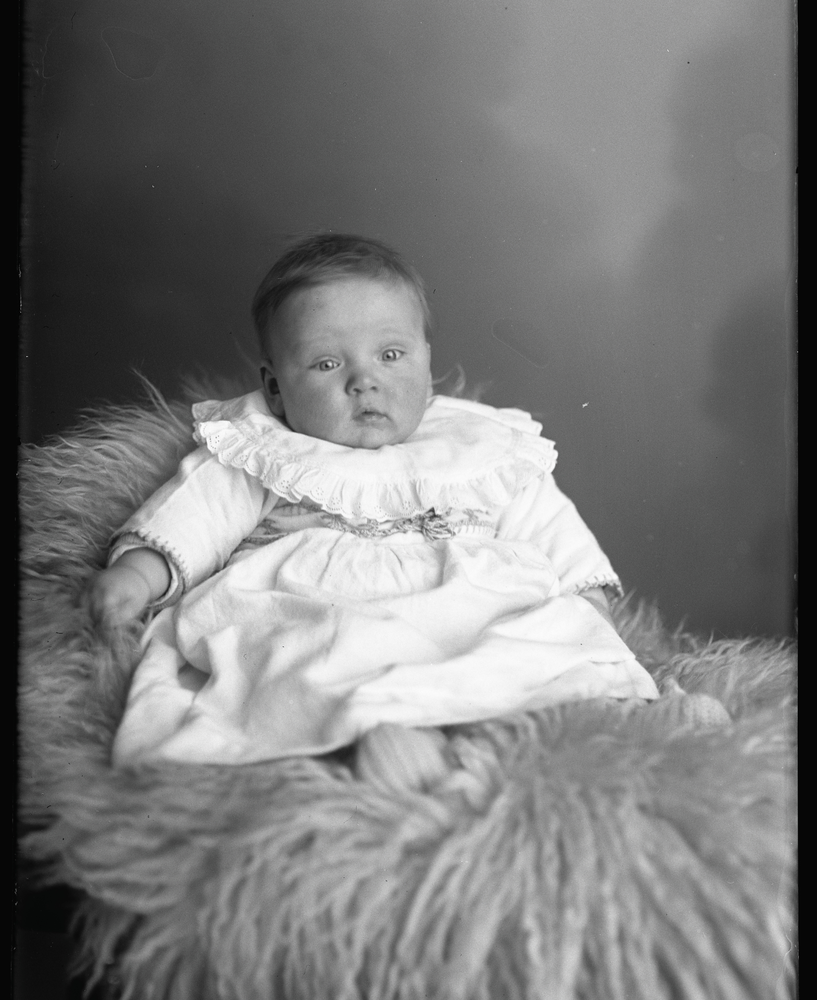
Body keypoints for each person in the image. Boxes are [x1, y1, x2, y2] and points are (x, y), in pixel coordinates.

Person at [90, 233, 660, 771]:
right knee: (317, 663)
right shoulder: (263, 449)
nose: (364, 380)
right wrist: (137, 575)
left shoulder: (477, 445)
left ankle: (626, 721)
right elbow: (194, 515)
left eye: (390, 354)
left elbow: (550, 523)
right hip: (325, 608)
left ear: (427, 363)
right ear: (275, 388)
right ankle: (399, 744)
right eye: (327, 364)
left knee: (540, 648)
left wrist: (589, 602)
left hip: (466, 606)